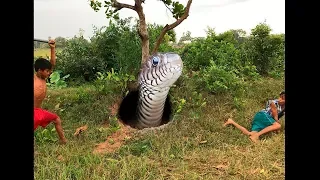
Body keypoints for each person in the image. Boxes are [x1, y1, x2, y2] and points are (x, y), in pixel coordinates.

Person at [34, 39, 67, 144]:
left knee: (56, 119)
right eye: (47, 71)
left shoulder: (43, 78)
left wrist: (52, 48)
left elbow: (52, 64)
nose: (49, 73)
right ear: (39, 70)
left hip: (38, 111)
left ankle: (63, 141)